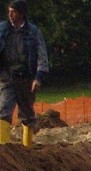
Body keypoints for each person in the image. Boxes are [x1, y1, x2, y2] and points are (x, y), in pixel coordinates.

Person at [0, 0, 48, 147]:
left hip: (26, 79)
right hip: (7, 77)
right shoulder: (2, 30)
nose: (10, 14)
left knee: (27, 116)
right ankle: (3, 150)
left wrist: (38, 78)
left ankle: (27, 150)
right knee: (3, 111)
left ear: (21, 13)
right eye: (9, 11)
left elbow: (42, 57)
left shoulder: (33, 32)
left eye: (13, 11)